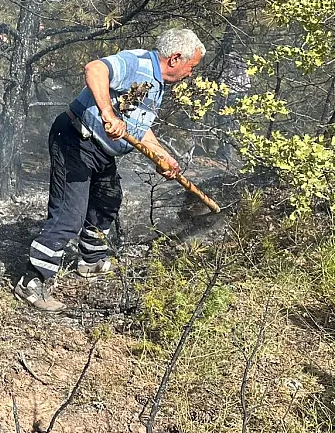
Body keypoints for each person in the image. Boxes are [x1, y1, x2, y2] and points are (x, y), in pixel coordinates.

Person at [13, 29, 206, 312]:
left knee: (107, 201)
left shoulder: (156, 83)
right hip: (76, 139)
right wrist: (107, 113)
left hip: (100, 150)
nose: (191, 73)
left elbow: (138, 126)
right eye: (192, 66)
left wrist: (162, 156)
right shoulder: (136, 62)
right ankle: (32, 282)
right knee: (70, 214)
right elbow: (94, 69)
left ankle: (90, 261)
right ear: (176, 58)